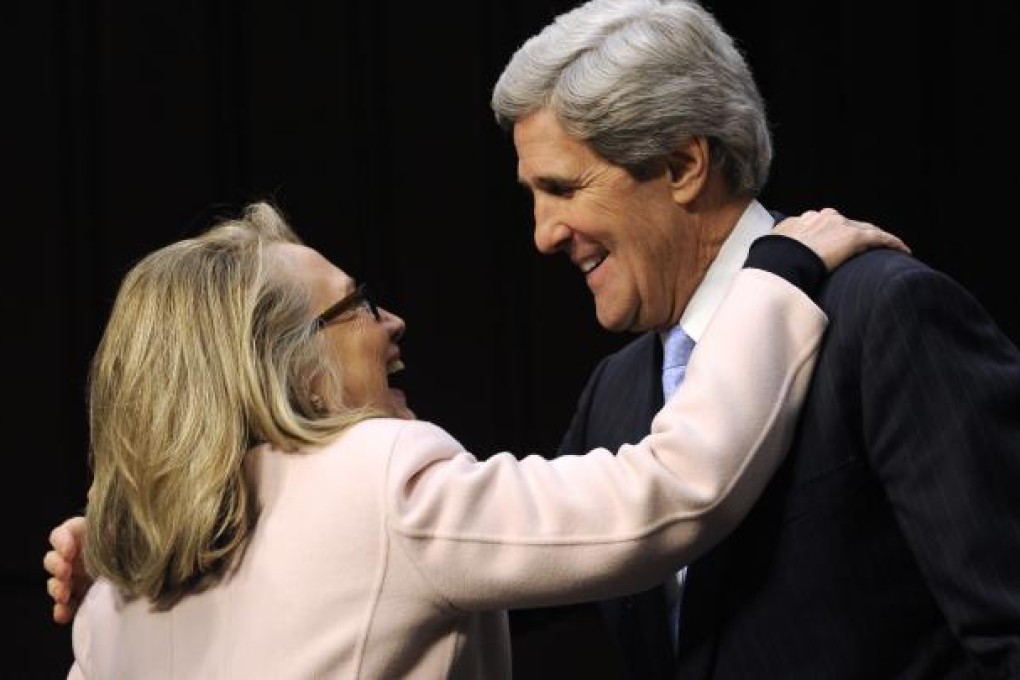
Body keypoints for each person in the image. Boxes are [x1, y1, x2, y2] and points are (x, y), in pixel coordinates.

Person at [43, 201, 901, 678]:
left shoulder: (118, 590)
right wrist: (777, 278)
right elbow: (671, 491)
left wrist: (124, 544)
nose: (392, 323)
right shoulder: (371, 478)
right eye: (358, 305)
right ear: (284, 362)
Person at [486, 0, 1020, 678]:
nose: (543, 233)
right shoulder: (615, 394)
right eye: (533, 196)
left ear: (683, 165)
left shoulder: (885, 314)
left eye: (564, 188)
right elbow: (495, 575)